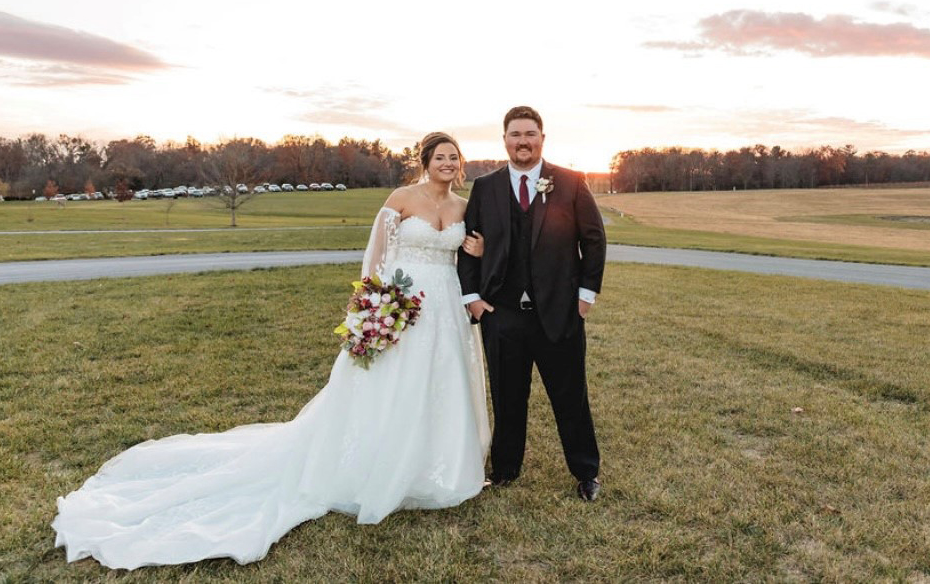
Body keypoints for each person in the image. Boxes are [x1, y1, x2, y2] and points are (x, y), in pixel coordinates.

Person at [52, 132, 490, 570]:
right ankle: (377, 464)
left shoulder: (463, 207)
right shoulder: (401, 196)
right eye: (440, 157)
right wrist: (372, 305)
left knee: (439, 383)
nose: (448, 163)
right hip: (400, 303)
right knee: (392, 383)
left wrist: (478, 249)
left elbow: (468, 258)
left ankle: (436, 464)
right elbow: (375, 256)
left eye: (454, 157)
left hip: (445, 307)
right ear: (426, 161)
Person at [457, 106, 607, 501]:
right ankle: (505, 469)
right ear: (504, 139)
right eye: (515, 134)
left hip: (560, 312)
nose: (522, 141)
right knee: (507, 396)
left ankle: (586, 472)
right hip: (501, 314)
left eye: (530, 134)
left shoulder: (571, 182)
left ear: (542, 138)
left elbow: (593, 239)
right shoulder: (485, 187)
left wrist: (585, 296)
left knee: (570, 395)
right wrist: (473, 300)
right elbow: (468, 245)